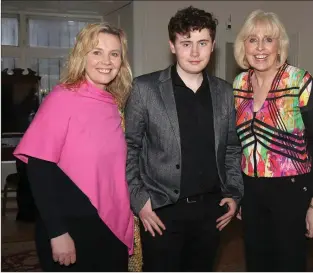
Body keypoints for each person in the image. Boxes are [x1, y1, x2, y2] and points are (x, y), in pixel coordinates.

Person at [125, 6, 243, 272]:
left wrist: (234, 194)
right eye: (186, 43)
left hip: (211, 211)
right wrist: (139, 201)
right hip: (161, 211)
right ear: (172, 45)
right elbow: (129, 148)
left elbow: (233, 149)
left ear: (213, 45)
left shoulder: (225, 92)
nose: (194, 52)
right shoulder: (144, 90)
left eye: (202, 43)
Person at [13, 22, 134, 272]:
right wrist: (57, 233)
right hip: (70, 228)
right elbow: (38, 169)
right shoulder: (62, 99)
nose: (106, 61)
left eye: (114, 54)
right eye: (97, 52)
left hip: (108, 226)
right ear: (82, 56)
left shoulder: (114, 104)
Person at [232, 10, 313, 272]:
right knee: (256, 262)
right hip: (251, 191)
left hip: (292, 191)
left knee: (288, 263)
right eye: (253, 40)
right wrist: (239, 195)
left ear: (279, 45)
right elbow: (237, 145)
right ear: (244, 46)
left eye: (268, 39)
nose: (260, 47)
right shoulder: (239, 84)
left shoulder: (299, 81)